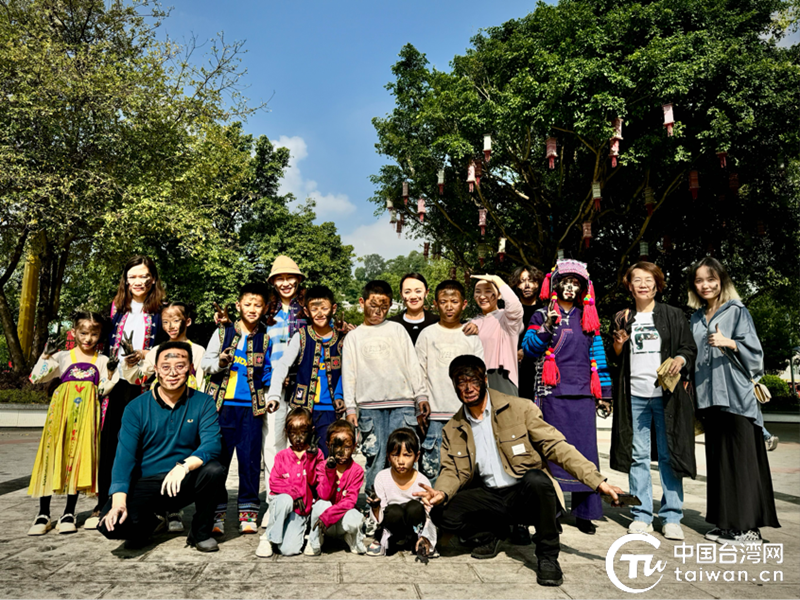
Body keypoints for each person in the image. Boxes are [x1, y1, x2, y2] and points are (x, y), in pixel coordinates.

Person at [414, 355, 623, 587]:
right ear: (454, 387)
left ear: (485, 379)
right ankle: (492, 532)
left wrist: (597, 482)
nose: (468, 388)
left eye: (473, 379)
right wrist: (440, 493)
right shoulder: (453, 428)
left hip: (524, 495)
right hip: (491, 497)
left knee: (537, 479)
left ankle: (548, 556)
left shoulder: (519, 408)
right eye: (461, 382)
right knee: (441, 512)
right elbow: (451, 471)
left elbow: (556, 446)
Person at [98, 341, 225, 552]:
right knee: (111, 527)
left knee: (214, 469)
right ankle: (148, 523)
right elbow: (124, 458)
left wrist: (183, 466)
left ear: (190, 367)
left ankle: (200, 532)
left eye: (180, 366)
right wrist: (118, 502)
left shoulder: (203, 402)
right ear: (156, 370)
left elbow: (212, 444)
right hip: (146, 482)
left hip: (182, 480)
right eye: (165, 367)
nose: (173, 373)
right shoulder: (135, 408)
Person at [689, 257, 779, 545]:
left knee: (743, 462)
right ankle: (727, 524)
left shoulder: (737, 311)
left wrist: (730, 342)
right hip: (709, 398)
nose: (705, 285)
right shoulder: (695, 317)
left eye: (711, 279)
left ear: (722, 281)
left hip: (737, 396)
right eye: (699, 280)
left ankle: (750, 528)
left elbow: (756, 354)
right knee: (719, 462)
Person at [609, 262, 698, 541]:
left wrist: (681, 360)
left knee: (670, 454)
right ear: (630, 285)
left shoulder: (673, 314)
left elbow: (688, 347)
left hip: (666, 397)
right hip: (634, 397)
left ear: (657, 284)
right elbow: (614, 357)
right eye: (637, 280)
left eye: (649, 280)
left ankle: (672, 516)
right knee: (638, 456)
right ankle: (641, 515)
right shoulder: (623, 317)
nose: (643, 284)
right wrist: (619, 344)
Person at [522, 259, 611, 535]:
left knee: (585, 452)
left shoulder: (589, 317)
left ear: (583, 288)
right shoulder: (540, 315)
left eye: (576, 283)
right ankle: (553, 510)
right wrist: (548, 327)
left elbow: (598, 356)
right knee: (550, 452)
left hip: (583, 393)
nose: (570, 287)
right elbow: (529, 349)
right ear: (555, 285)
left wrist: (604, 394)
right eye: (565, 282)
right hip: (550, 394)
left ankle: (586, 512)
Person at [27, 312, 119, 536]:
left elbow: (105, 388)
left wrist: (110, 371)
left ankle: (69, 511)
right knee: (52, 457)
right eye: (83, 333)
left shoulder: (102, 360)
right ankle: (43, 513)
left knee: (79, 458)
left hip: (87, 416)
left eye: (94, 334)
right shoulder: (62, 356)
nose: (88, 338)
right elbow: (36, 377)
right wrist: (45, 358)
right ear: (74, 332)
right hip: (61, 416)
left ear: (100, 335)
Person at [93, 255, 166, 530]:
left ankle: (147, 503)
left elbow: (169, 345)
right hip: (117, 386)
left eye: (143, 276)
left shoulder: (160, 313)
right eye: (132, 276)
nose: (138, 281)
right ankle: (106, 502)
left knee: (147, 445)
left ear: (152, 279)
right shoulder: (115, 311)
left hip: (146, 386)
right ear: (126, 280)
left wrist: (146, 353)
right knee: (112, 443)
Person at [342, 280, 430, 490]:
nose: (378, 312)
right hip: (370, 407)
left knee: (404, 454)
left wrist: (421, 395)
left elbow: (412, 364)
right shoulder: (353, 337)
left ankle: (407, 500)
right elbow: (349, 374)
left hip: (403, 404)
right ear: (362, 302)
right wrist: (351, 408)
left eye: (384, 307)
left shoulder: (397, 330)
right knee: (376, 456)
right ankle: (374, 506)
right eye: (373, 306)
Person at [202, 282, 272, 535]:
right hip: (220, 408)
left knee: (250, 461)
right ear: (238, 305)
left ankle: (248, 513)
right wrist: (220, 362)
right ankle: (216, 515)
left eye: (258, 305)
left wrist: (274, 381)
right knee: (218, 462)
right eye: (248, 304)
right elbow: (205, 363)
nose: (252, 309)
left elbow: (268, 372)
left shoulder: (266, 337)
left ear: (265, 309)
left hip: (251, 409)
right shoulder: (222, 334)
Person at [415, 280, 484, 484]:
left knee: (466, 467)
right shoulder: (427, 334)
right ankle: (431, 513)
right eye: (444, 301)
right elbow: (418, 371)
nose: (449, 306)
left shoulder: (471, 337)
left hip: (465, 414)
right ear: (436, 304)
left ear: (463, 304)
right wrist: (421, 398)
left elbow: (480, 374)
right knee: (432, 468)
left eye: (454, 301)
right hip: (435, 414)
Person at [266, 286, 345, 456]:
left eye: (324, 308)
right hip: (301, 409)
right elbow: (283, 365)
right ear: (307, 312)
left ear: (333, 308)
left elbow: (348, 373)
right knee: (301, 456)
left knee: (327, 454)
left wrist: (340, 396)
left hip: (329, 409)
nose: (319, 313)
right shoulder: (301, 336)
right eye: (314, 309)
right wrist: (273, 395)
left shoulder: (341, 340)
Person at [257, 407, 324, 557]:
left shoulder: (317, 454)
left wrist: (311, 460)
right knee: (285, 499)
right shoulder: (282, 456)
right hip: (284, 504)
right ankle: (268, 538)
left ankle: (298, 534)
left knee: (289, 550)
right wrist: (294, 494)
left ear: (312, 431)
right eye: (293, 434)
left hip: (301, 510)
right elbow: (274, 482)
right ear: (287, 433)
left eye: (303, 433)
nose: (298, 439)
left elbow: (315, 482)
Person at [365, 428, 437, 557]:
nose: (401, 461)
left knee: (415, 507)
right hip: (390, 526)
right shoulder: (382, 477)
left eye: (407, 455)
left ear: (417, 456)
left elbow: (427, 516)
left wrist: (428, 537)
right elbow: (379, 517)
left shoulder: (422, 481)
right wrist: (375, 507)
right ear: (388, 456)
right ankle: (386, 541)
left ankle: (419, 542)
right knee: (394, 511)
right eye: (395, 455)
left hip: (414, 528)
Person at [305, 419, 366, 555]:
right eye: (336, 446)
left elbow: (350, 501)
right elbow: (324, 495)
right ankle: (315, 539)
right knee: (321, 504)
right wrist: (330, 471)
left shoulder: (356, 471)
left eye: (346, 447)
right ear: (327, 445)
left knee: (355, 517)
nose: (341, 452)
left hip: (340, 520)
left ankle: (352, 537)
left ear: (354, 446)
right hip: (324, 524)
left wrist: (328, 516)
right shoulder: (322, 466)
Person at [122, 302, 205, 391]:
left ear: (188, 322)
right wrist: (131, 363)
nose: (170, 326)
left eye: (176, 321)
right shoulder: (157, 350)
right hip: (158, 402)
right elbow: (139, 378)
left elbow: (201, 382)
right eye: (165, 322)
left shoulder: (197, 351)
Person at [463, 274, 524, 396]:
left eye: (488, 291)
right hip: (474, 377)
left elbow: (515, 306)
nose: (482, 296)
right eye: (478, 292)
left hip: (500, 376)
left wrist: (496, 279)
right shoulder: (472, 322)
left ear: (499, 295)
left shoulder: (506, 318)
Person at [509, 266, 544, 401]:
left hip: (539, 370)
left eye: (532, 281)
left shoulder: (545, 312)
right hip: (514, 370)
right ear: (516, 285)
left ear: (538, 283)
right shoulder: (509, 312)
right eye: (522, 281)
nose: (527, 285)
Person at [389, 273, 439, 345]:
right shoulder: (392, 325)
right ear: (401, 295)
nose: (413, 296)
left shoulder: (437, 323)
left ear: (426, 293)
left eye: (418, 291)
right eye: (407, 292)